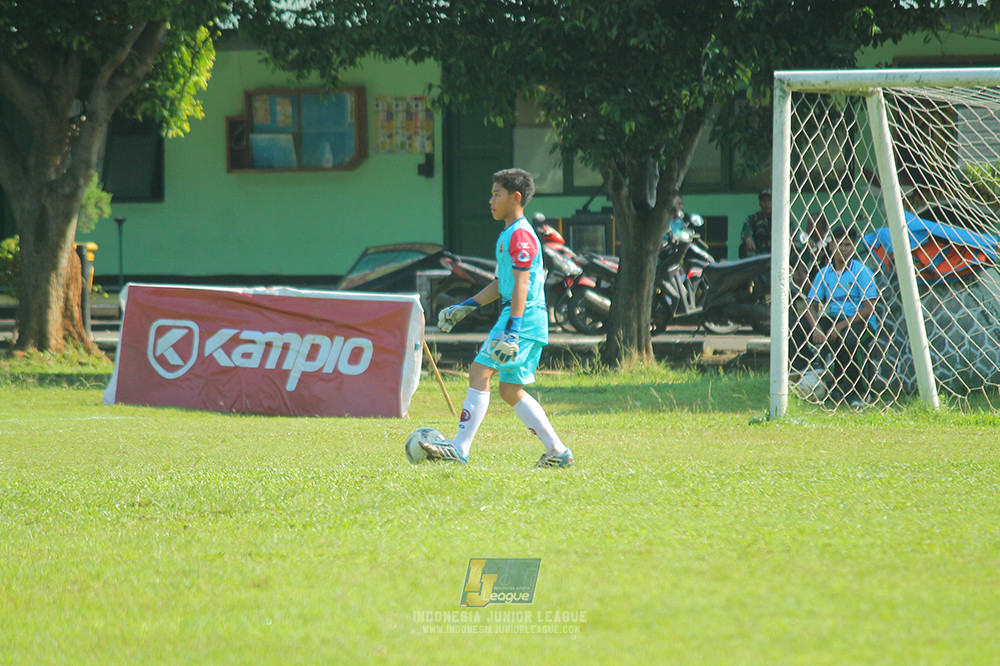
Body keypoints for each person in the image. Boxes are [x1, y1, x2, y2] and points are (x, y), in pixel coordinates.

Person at [424, 168, 574, 468]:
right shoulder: (511, 233)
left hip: (522, 319)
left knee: (479, 372)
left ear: (515, 198)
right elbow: (502, 283)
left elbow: (521, 285)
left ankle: (460, 448)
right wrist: (466, 306)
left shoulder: (520, 235)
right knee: (509, 390)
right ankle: (557, 452)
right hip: (524, 318)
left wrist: (512, 330)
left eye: (497, 194)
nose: (490, 200)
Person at [802, 224, 879, 406]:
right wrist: (817, 329)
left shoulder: (862, 272)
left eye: (848, 245)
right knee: (795, 327)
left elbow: (869, 308)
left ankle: (862, 391)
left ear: (853, 247)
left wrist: (840, 326)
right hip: (834, 318)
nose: (843, 249)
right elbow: (810, 306)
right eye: (840, 244)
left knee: (850, 340)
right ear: (831, 246)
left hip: (861, 322)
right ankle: (806, 377)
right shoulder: (824, 273)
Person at [740, 188, 772, 258]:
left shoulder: (783, 219)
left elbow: (792, 236)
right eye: (764, 201)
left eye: (769, 201)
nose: (766, 204)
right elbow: (746, 231)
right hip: (758, 254)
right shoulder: (753, 218)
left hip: (778, 252)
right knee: (743, 246)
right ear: (760, 204)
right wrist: (748, 238)